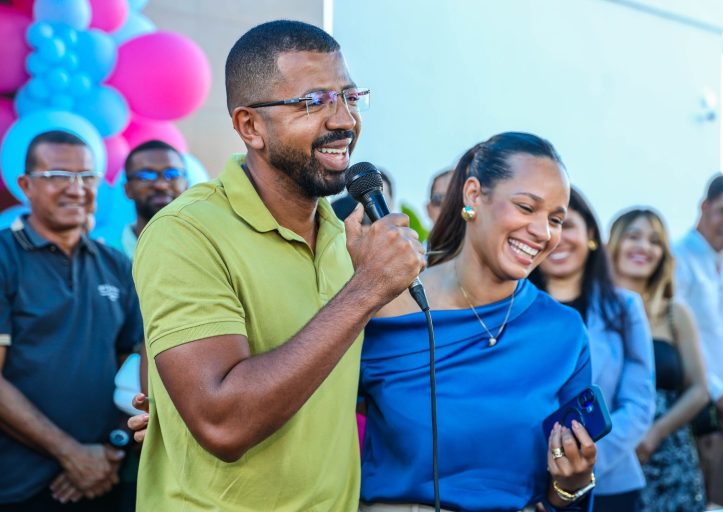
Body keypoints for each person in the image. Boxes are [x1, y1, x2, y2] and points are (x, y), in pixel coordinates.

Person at [130, 20, 424, 511]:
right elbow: (223, 424)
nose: (344, 120)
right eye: (314, 102)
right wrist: (366, 289)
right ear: (250, 126)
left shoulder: (340, 235)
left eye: (350, 97)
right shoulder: (186, 232)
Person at [359, 132, 598, 511]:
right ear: (473, 196)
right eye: (525, 207)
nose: (543, 232)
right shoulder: (384, 304)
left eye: (555, 218)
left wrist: (572, 484)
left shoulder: (563, 332)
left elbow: (561, 498)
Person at [0, 131, 143, 511]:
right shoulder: (4, 258)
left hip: (103, 476)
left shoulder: (116, 265)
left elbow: (135, 364)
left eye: (87, 176)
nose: (76, 189)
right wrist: (72, 455)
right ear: (26, 185)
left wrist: (111, 446)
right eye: (58, 176)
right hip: (18, 486)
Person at [530, 189, 655, 512]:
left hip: (611, 484)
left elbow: (639, 404)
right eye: (548, 225)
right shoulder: (512, 309)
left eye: (566, 224)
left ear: (591, 236)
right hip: (524, 483)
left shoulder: (626, 306)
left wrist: (581, 462)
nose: (555, 236)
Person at [607, 208, 708, 511]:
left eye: (654, 241)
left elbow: (700, 389)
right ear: (613, 244)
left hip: (669, 457)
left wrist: (655, 433)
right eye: (633, 236)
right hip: (609, 452)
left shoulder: (676, 314)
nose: (643, 247)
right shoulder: (592, 310)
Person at [673, 174, 723, 506]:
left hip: (718, 400)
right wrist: (720, 396)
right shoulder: (678, 258)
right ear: (704, 206)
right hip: (690, 397)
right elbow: (678, 339)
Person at [121, 140, 188, 259]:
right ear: (128, 189)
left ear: (186, 185)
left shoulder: (208, 251)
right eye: (145, 176)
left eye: (172, 174)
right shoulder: (105, 258)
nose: (161, 185)